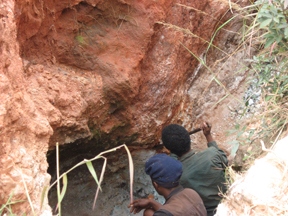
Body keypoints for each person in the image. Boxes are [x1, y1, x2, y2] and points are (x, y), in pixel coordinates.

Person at [161, 122, 228, 216]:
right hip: (229, 203)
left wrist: (172, 152)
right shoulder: (212, 154)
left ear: (170, 150)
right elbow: (222, 158)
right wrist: (208, 135)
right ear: (189, 139)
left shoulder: (178, 176)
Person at [128, 154, 207, 216]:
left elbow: (168, 212)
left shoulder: (164, 213)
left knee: (148, 213)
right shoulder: (191, 193)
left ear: (156, 185)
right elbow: (174, 211)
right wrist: (151, 202)